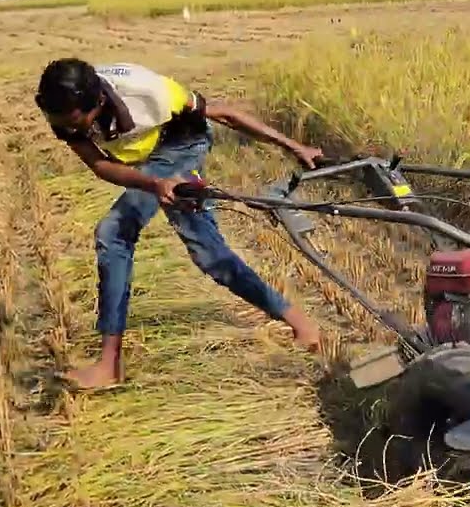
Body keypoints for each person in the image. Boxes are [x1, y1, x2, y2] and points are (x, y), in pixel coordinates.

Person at [34, 58, 325, 390]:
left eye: (76, 122)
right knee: (208, 252)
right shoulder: (60, 107)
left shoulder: (152, 93)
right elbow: (99, 164)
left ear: (98, 101)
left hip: (183, 145)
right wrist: (154, 184)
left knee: (114, 233)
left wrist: (294, 146)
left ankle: (108, 366)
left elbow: (225, 114)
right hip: (145, 159)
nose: (70, 130)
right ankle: (300, 323)